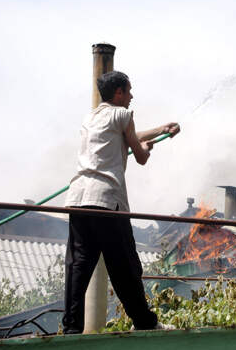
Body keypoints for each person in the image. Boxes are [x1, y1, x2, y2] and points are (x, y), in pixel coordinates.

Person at [62, 71, 180, 334]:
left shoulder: (90, 117)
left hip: (78, 199)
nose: (131, 96)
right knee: (125, 265)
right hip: (107, 201)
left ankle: (71, 328)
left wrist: (161, 129)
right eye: (128, 91)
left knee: (79, 264)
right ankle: (145, 323)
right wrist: (147, 148)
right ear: (118, 93)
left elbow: (128, 135)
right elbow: (139, 155)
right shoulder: (124, 115)